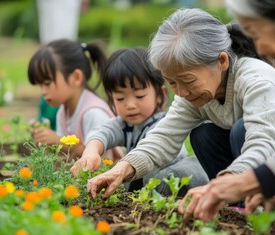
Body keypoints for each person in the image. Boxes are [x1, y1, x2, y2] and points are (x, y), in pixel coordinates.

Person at [86, 8, 275, 199]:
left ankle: (270, 202)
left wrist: (225, 184)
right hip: (256, 164)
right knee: (204, 136)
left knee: (241, 131)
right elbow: (163, 138)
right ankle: (238, 201)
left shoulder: (258, 81)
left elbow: (261, 143)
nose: (181, 92)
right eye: (172, 82)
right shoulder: (194, 96)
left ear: (222, 61)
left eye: (188, 81)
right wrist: (121, 169)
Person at [176, 0, 275, 234]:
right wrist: (270, 186)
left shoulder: (258, 76)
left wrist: (243, 182)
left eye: (257, 34)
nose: (259, 49)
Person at [70, 48, 208, 195]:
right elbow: (103, 132)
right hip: (146, 181)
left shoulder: (165, 122)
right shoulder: (123, 125)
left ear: (160, 95)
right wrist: (91, 152)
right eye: (120, 98)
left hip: (173, 174)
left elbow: (163, 151)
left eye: (140, 96)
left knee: (179, 173)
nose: (130, 105)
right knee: (136, 181)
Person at [28, 39, 122, 160]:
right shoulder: (63, 111)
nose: (43, 92)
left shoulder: (93, 113)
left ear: (76, 78)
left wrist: (59, 142)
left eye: (47, 83)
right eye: (40, 85)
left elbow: (103, 160)